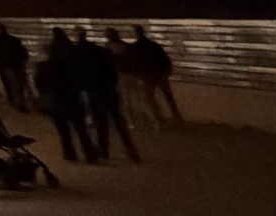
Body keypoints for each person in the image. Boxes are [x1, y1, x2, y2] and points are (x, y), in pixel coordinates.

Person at [78, 26, 139, 162]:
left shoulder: (84, 61)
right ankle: (130, 149)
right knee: (118, 120)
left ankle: (104, 150)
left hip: (96, 94)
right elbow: (114, 73)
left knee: (102, 123)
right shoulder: (104, 53)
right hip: (110, 92)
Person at [37, 27, 95, 163]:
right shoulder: (73, 64)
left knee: (63, 131)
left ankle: (70, 153)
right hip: (73, 99)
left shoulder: (46, 66)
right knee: (81, 129)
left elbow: (40, 85)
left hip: (56, 100)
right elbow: (82, 81)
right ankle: (89, 153)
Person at [128, 25, 180, 122]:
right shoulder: (154, 45)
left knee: (150, 99)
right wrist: (166, 71)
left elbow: (133, 63)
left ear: (135, 34)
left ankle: (159, 119)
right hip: (159, 73)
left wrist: (137, 75)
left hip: (147, 75)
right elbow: (164, 59)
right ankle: (176, 116)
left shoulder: (134, 48)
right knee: (168, 96)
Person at [0, 23, 31, 111]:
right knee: (19, 85)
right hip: (17, 64)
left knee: (11, 84)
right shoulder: (14, 39)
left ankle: (17, 103)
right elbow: (23, 52)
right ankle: (21, 102)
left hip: (7, 65)